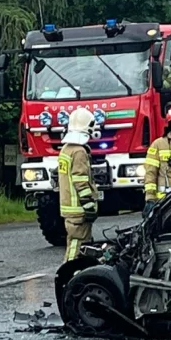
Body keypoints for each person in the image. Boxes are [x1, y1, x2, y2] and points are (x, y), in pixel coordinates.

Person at [57, 108, 100, 261]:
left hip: (68, 207)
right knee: (77, 244)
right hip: (78, 209)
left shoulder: (65, 150)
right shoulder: (79, 151)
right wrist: (88, 204)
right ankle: (69, 272)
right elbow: (80, 180)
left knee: (74, 241)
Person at [143, 106, 171, 217]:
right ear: (170, 124)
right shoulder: (158, 145)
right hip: (163, 202)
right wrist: (150, 199)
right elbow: (150, 173)